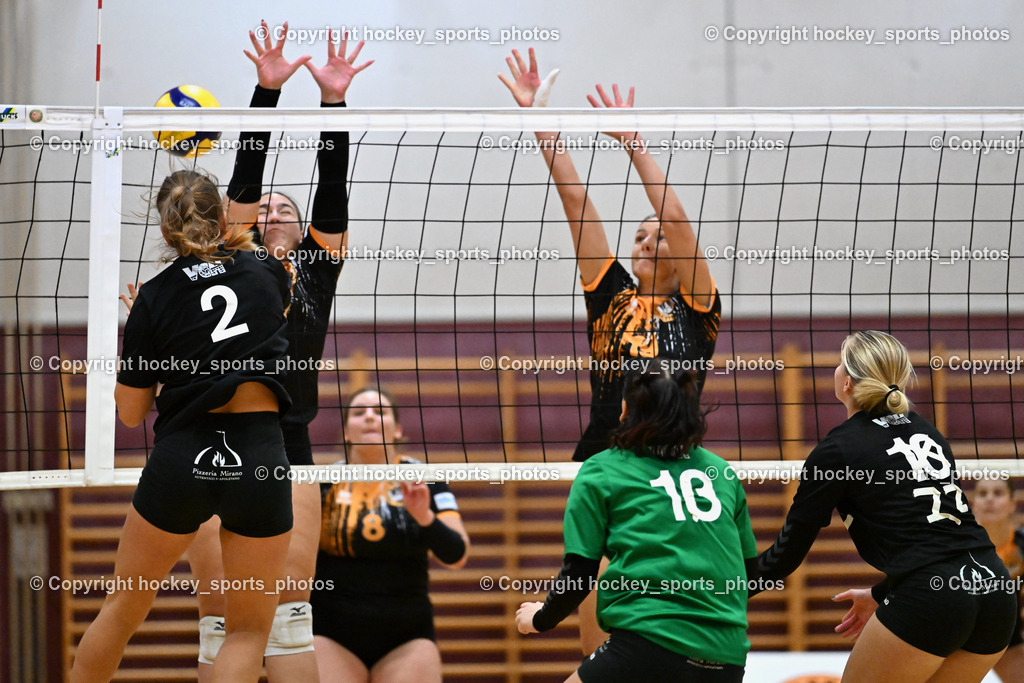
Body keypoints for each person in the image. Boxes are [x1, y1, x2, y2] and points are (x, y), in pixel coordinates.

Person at [500, 47, 721, 654]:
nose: (647, 242)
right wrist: (539, 126)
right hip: (605, 452)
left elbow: (676, 217)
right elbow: (577, 206)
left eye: (658, 237)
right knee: (602, 620)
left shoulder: (700, 308)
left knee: (664, 606)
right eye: (639, 236)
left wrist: (633, 143)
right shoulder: (612, 296)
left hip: (676, 463)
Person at [183, 22, 372, 682]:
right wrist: (266, 92)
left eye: (285, 206)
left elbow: (334, 183)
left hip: (291, 442)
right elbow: (245, 174)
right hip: (220, 436)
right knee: (222, 622)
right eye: (264, 207)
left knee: (290, 619)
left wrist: (333, 104)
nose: (274, 209)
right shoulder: (235, 262)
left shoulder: (319, 268)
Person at [71, 170, 293, 683]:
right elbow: (259, 319)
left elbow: (129, 413)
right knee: (246, 631)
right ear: (219, 216)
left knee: (124, 608)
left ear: (166, 232)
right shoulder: (265, 267)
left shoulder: (154, 297)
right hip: (259, 457)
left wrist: (151, 329)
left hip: (184, 457)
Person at [754, 330, 1017, 683]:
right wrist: (882, 592)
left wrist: (724, 585)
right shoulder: (928, 432)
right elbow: (936, 535)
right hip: (995, 589)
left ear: (847, 383)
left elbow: (786, 554)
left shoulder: (837, 450)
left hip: (932, 598)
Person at [516, 361, 756, 683]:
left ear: (625, 408)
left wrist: (539, 619)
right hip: (727, 657)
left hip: (648, 645)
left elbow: (580, 572)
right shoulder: (722, 472)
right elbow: (751, 572)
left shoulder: (601, 470)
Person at [310, 387, 470, 682]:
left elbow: (457, 555)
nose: (369, 417)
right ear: (346, 431)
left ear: (397, 429)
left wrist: (424, 516)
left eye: (380, 412)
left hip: (406, 634)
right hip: (332, 630)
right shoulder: (323, 483)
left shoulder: (424, 478)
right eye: (359, 413)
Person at [971, 479, 1024, 682]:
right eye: (983, 494)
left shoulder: (1020, 545)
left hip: (1009, 645)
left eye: (997, 493)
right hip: (958, 645)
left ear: (1012, 504)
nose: (990, 499)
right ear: (974, 503)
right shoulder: (955, 547)